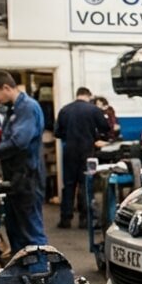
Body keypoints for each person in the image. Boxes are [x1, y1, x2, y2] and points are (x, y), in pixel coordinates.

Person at [0, 70, 46, 252]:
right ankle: (23, 274)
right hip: (16, 177)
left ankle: (41, 275)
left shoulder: (27, 107)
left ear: (6, 87)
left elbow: (19, 142)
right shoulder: (14, 110)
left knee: (30, 232)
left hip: (28, 177)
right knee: (17, 231)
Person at [53, 87, 110, 228]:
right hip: (87, 151)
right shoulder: (93, 110)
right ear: (88, 96)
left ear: (77, 95)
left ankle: (65, 219)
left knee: (69, 185)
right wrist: (94, 135)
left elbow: (57, 133)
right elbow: (105, 128)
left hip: (69, 151)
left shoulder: (64, 110)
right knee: (86, 184)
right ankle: (85, 220)